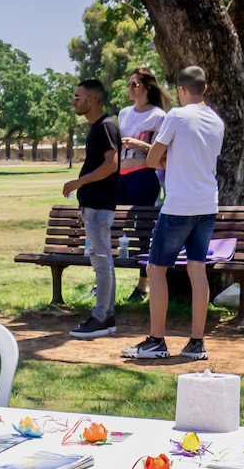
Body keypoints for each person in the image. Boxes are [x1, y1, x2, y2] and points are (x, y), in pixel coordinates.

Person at [121, 65, 223, 362]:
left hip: (179, 205)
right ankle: (196, 343)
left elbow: (153, 159)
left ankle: (156, 341)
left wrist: (168, 158)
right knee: (197, 268)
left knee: (156, 269)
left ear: (181, 90)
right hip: (207, 204)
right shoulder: (217, 121)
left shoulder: (177, 116)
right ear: (204, 88)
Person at [64, 79, 120, 339]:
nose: (74, 101)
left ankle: (100, 317)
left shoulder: (105, 126)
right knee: (103, 259)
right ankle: (107, 317)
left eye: (78, 96)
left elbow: (111, 165)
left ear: (93, 100)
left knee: (101, 261)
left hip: (99, 204)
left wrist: (79, 182)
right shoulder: (98, 127)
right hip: (93, 204)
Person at [116, 66, 171, 302]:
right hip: (120, 176)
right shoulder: (123, 113)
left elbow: (164, 154)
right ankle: (104, 282)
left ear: (147, 87)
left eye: (135, 84)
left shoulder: (159, 116)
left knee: (143, 232)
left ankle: (142, 285)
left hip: (143, 177)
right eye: (128, 84)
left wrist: (140, 146)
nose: (130, 88)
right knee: (114, 227)